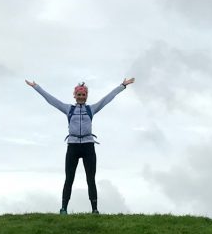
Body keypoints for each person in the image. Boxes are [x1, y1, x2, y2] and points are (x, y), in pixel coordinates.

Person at [26, 77, 135, 213]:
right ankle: (64, 208)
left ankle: (94, 209)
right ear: (75, 95)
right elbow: (51, 100)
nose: (81, 97)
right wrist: (36, 87)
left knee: (91, 178)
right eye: (79, 95)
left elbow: (107, 99)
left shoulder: (91, 109)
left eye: (83, 95)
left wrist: (122, 86)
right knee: (69, 178)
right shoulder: (68, 109)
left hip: (88, 146)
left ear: (86, 96)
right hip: (73, 146)